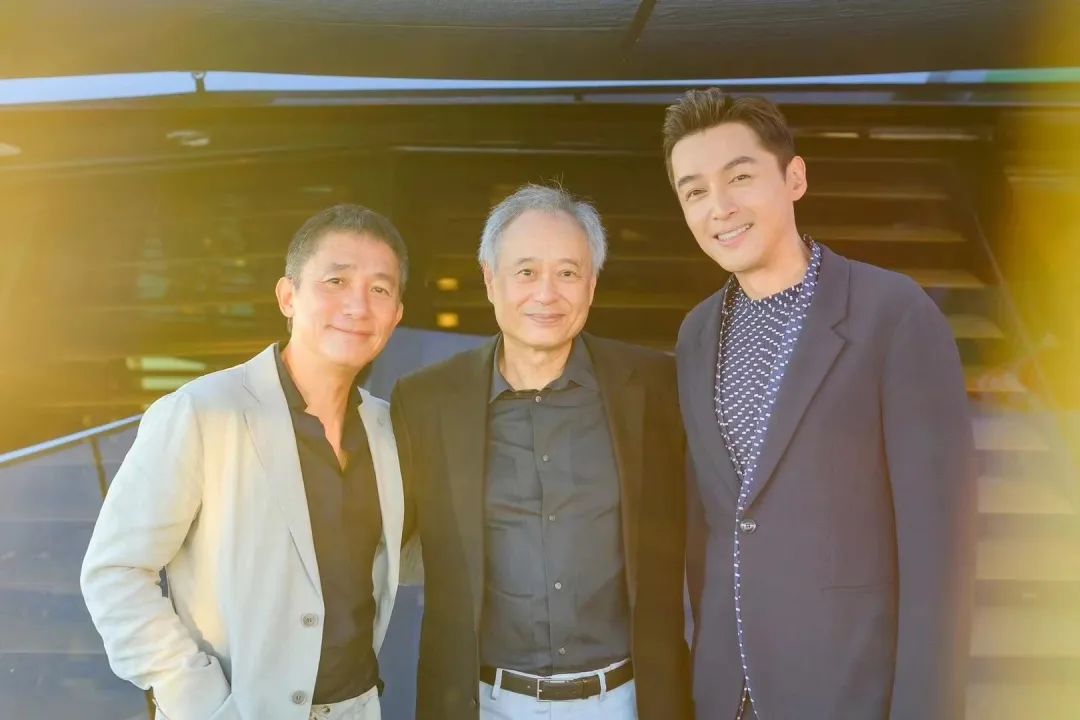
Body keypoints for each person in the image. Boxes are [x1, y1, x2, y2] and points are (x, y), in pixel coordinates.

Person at [665, 88, 976, 719]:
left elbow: (940, 553)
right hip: (728, 694)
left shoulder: (892, 314)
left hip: (847, 692)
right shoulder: (696, 334)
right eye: (694, 191)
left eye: (740, 177)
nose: (719, 207)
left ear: (795, 178)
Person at [81, 204, 418, 720]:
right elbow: (115, 570)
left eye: (379, 289)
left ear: (396, 315)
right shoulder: (201, 411)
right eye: (336, 281)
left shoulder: (390, 430)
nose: (357, 305)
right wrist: (195, 697)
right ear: (288, 296)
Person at [391, 184, 691, 720]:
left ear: (592, 284)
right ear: (490, 279)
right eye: (526, 271)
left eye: (568, 273)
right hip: (484, 702)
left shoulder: (657, 387)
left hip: (627, 701)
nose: (546, 294)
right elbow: (374, 539)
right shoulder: (427, 400)